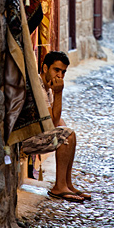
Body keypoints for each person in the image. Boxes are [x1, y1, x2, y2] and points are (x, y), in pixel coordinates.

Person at [40, 51, 91, 203]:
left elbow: (57, 121)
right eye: (56, 70)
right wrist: (59, 93)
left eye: (63, 72)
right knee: (66, 134)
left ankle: (67, 183)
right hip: (27, 138)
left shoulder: (47, 86)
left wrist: (66, 130)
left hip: (40, 132)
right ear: (45, 68)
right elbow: (52, 123)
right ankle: (59, 187)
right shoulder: (39, 87)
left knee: (69, 133)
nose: (60, 76)